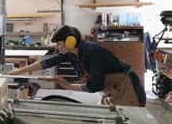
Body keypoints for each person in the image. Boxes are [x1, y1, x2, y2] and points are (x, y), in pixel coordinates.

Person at [8, 25, 146, 107]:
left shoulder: (92, 52)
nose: (57, 47)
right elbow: (47, 63)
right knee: (108, 118)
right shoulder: (71, 52)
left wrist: (69, 86)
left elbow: (95, 86)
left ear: (70, 41)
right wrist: (18, 72)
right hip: (111, 89)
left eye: (59, 44)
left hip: (126, 87)